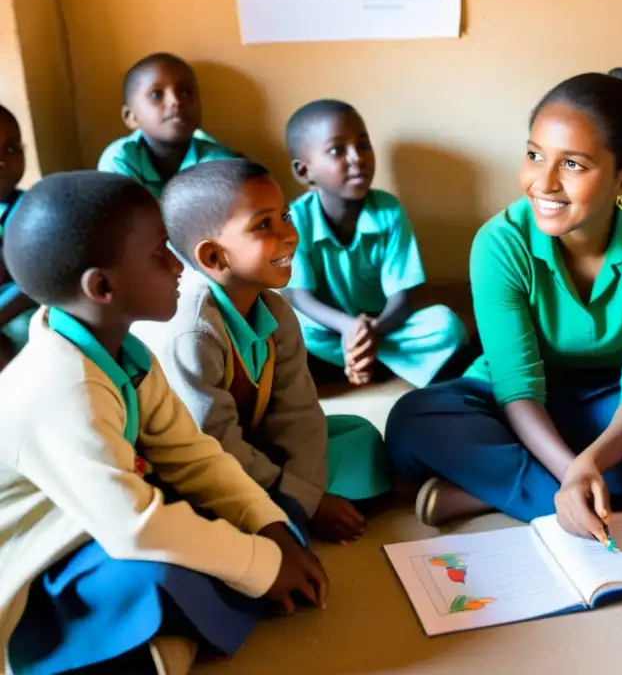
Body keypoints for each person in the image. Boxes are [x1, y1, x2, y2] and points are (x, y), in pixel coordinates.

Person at [386, 68, 622, 539]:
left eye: (572, 165)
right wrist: (574, 472)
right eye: (534, 155)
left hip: (618, 406)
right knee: (412, 422)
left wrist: (589, 463)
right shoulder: (499, 243)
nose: (543, 182)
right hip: (517, 405)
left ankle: (487, 492)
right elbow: (517, 388)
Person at [0, 172, 328, 675]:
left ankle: (170, 639)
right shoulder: (63, 387)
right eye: (159, 254)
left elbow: (193, 453)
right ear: (103, 286)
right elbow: (137, 526)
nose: (178, 265)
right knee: (165, 572)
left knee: (247, 530)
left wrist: (271, 528)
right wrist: (264, 567)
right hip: (38, 560)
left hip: (98, 522)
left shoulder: (125, 352)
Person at [137, 159, 391, 545]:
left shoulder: (276, 311)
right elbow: (210, 444)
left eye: (286, 216)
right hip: (192, 466)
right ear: (212, 257)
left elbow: (300, 413)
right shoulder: (191, 330)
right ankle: (274, 513)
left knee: (358, 435)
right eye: (263, 225)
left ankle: (286, 503)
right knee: (201, 514)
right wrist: (307, 502)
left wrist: (305, 495)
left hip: (250, 448)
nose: (289, 234)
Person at [282, 99, 466, 388]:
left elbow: (402, 298)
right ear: (305, 172)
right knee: (292, 329)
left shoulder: (389, 211)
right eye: (337, 150)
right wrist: (348, 327)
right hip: (330, 330)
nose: (357, 157)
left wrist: (371, 331)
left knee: (446, 326)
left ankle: (356, 360)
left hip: (385, 328)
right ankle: (371, 361)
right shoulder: (296, 219)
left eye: (363, 145)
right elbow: (301, 297)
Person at [98, 52, 235, 197]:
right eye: (156, 94)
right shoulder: (120, 159)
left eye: (185, 92)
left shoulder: (219, 162)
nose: (175, 101)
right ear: (131, 117)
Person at [0, 105, 35, 367]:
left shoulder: (32, 210)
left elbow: (36, 281)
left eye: (11, 149)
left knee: (29, 330)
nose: (2, 160)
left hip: (17, 312)